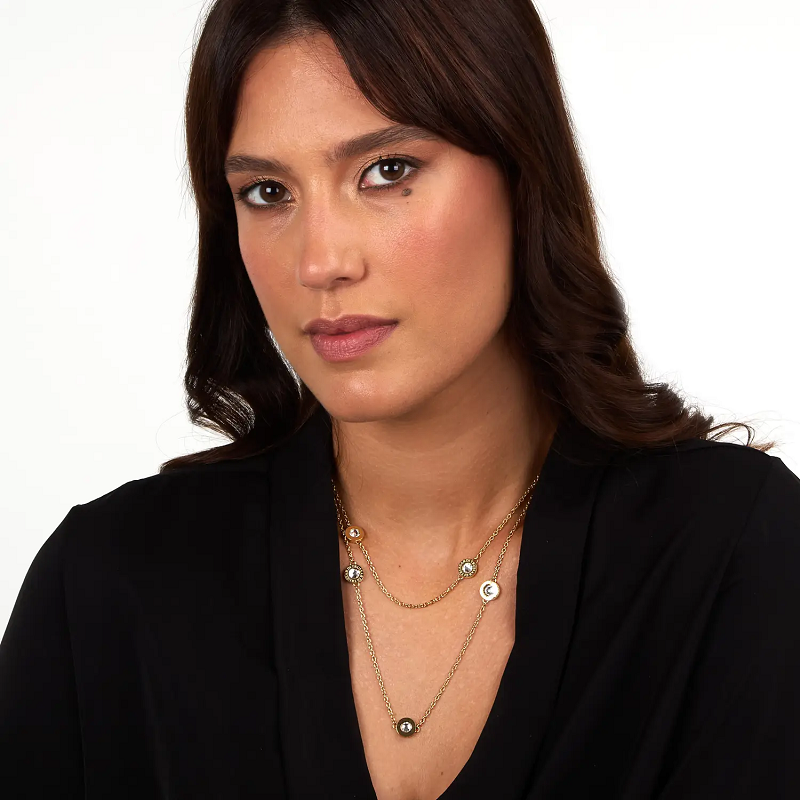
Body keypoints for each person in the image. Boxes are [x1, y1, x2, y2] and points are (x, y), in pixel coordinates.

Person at [1, 0, 798, 797]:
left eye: (387, 171)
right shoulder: (108, 587)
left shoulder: (732, 552)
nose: (320, 261)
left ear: (522, 170)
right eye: (269, 192)